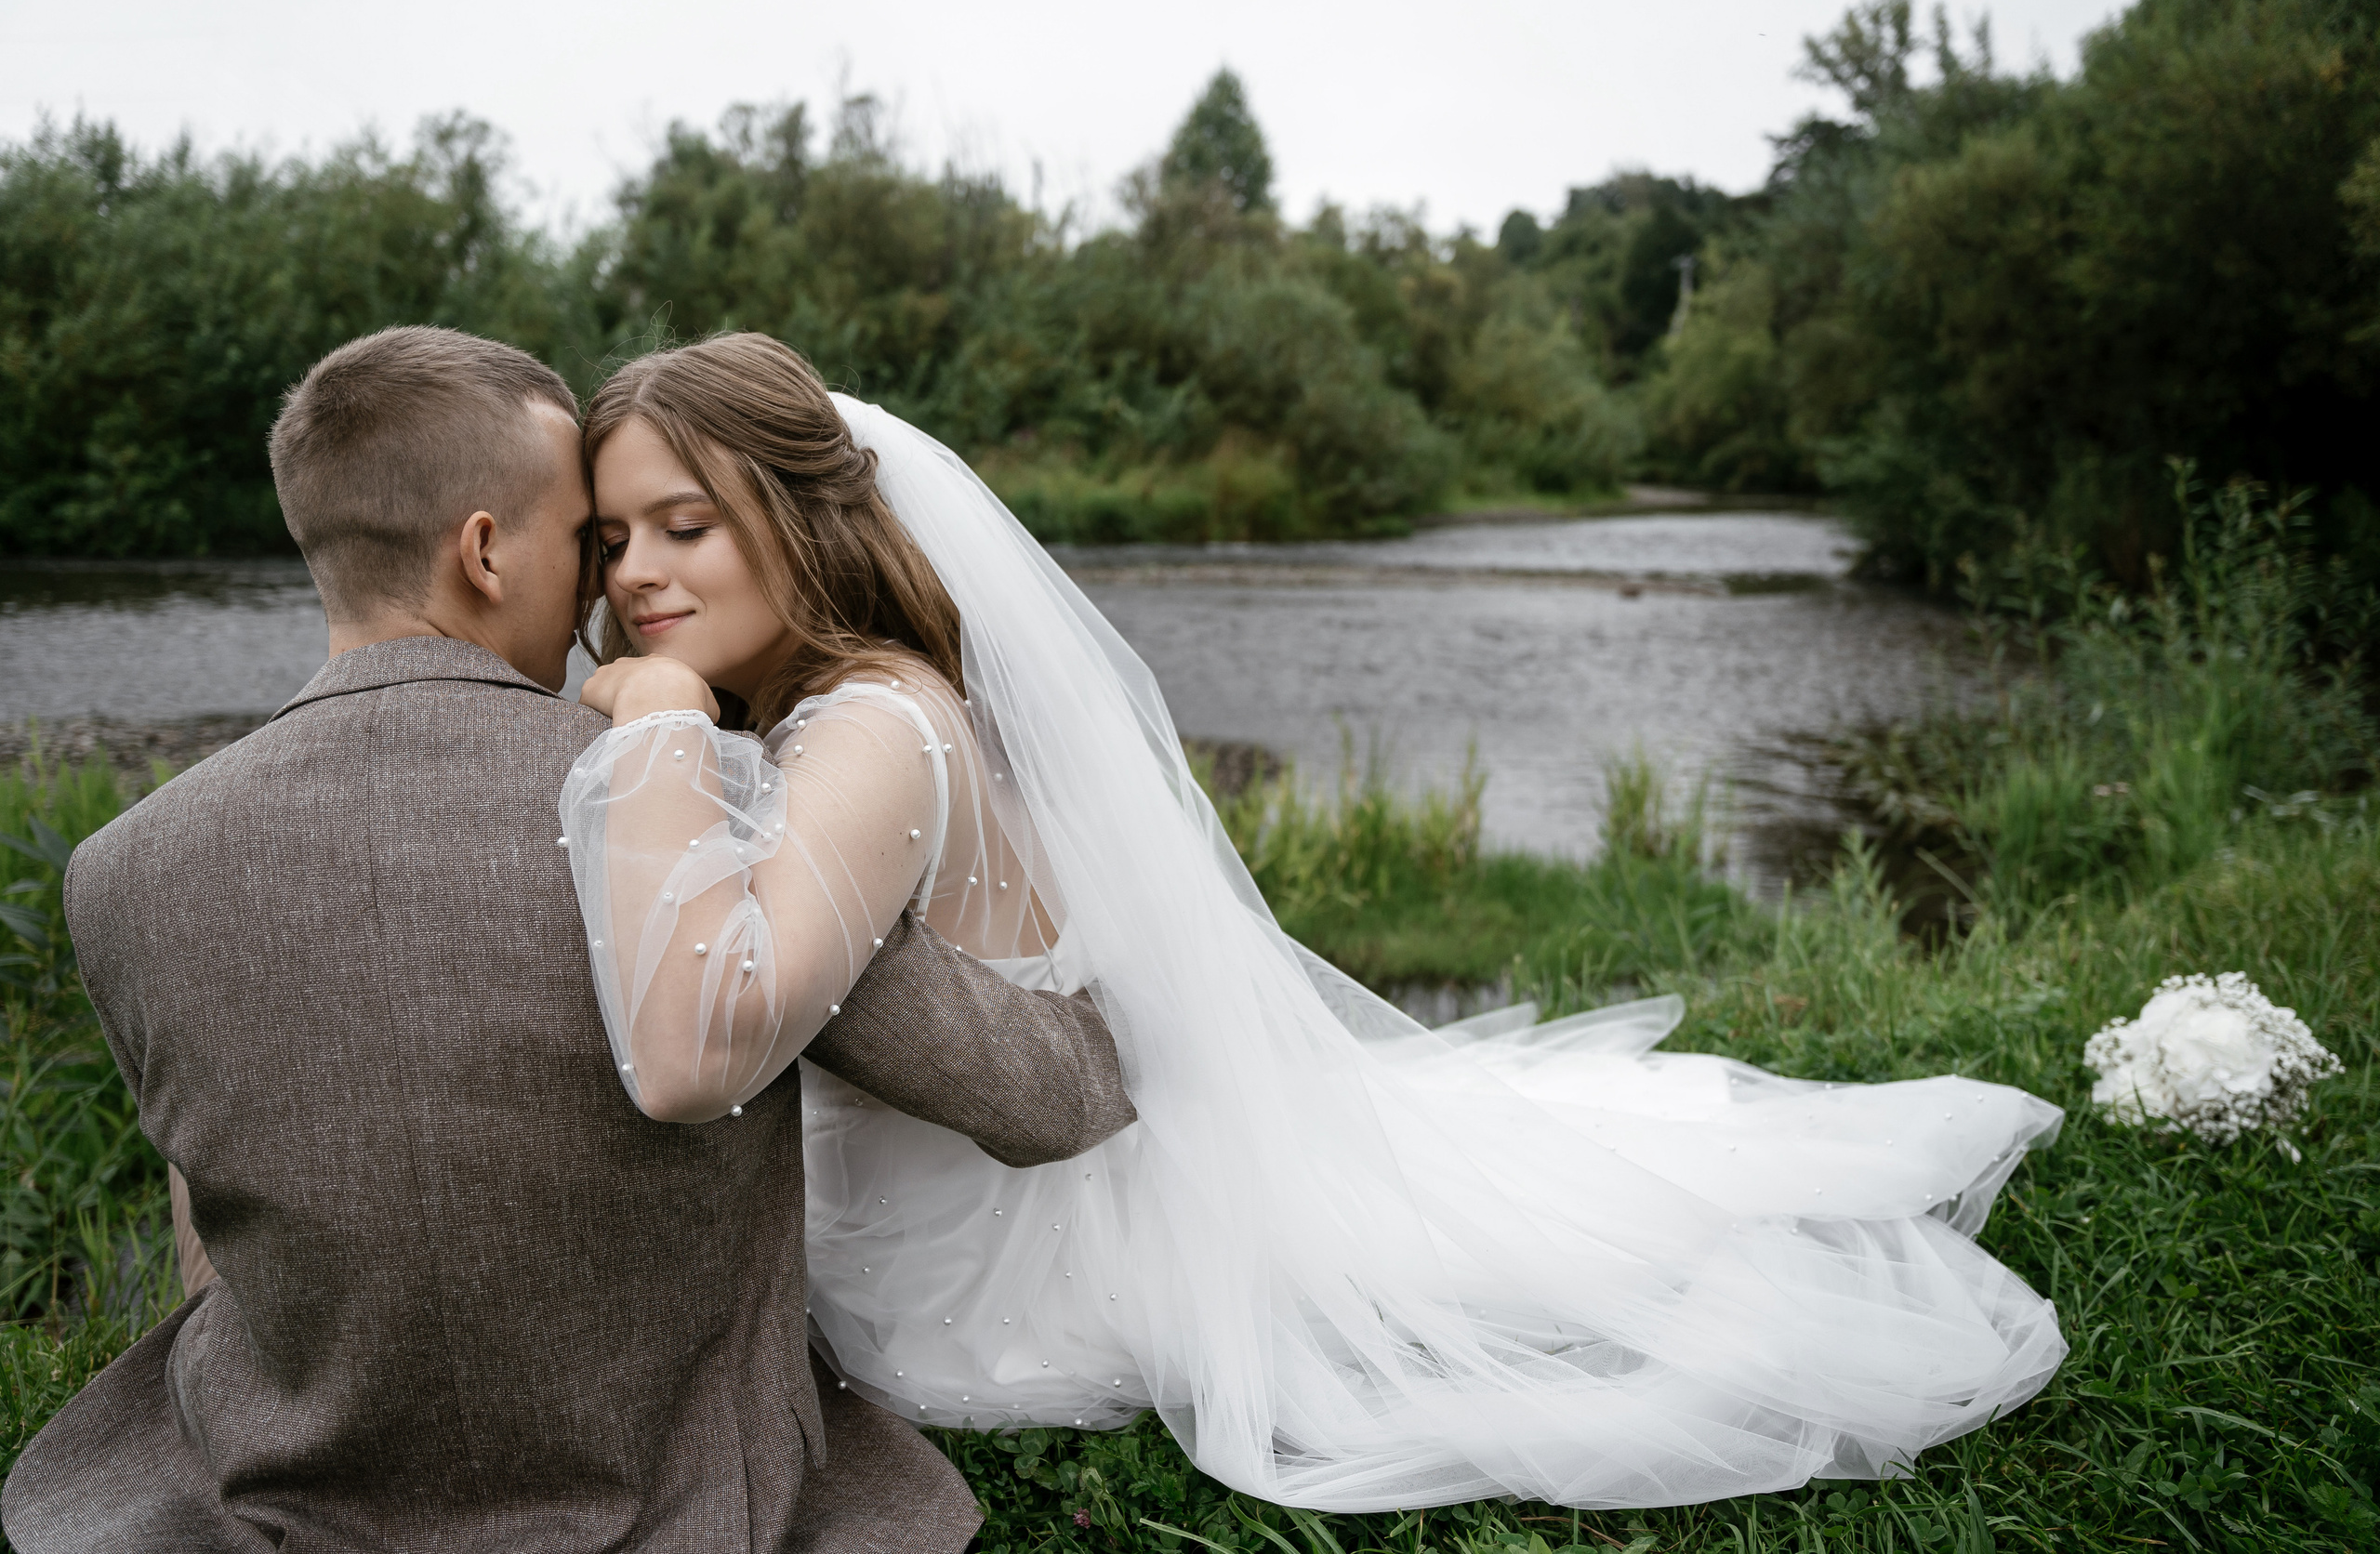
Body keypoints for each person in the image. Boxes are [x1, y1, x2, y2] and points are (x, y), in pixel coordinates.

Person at [567, 331, 2069, 1515]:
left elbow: (722, 1020)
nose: (636, 576)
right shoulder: (861, 696)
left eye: (684, 526)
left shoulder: (868, 729)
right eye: (614, 537)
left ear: (803, 517)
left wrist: (653, 719)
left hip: (977, 1275)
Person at [1, 326, 1136, 1554]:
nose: (612, 588)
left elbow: (208, 1209)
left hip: (278, 1486)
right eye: (589, 540)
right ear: (487, 550)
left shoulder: (124, 867)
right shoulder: (690, 810)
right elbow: (1041, 1091)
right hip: (682, 1495)